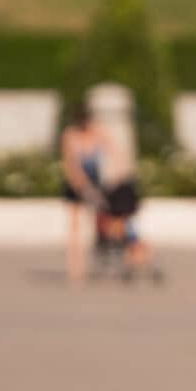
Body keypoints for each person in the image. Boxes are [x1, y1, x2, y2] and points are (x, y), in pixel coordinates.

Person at [59, 101, 120, 284]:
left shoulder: (98, 133)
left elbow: (116, 153)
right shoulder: (69, 136)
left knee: (102, 223)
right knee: (74, 228)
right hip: (77, 186)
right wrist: (84, 187)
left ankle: (105, 257)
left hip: (95, 183)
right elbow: (70, 165)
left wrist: (115, 176)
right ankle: (76, 269)